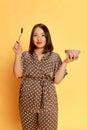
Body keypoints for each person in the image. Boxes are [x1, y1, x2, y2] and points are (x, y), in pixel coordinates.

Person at [13, 23, 78, 130]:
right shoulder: (25, 55)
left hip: (48, 101)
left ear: (47, 37)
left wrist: (65, 62)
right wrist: (17, 54)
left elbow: (57, 80)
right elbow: (17, 74)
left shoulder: (54, 56)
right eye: (35, 35)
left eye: (42, 35)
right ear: (31, 38)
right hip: (27, 100)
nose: (39, 38)